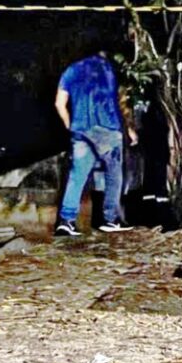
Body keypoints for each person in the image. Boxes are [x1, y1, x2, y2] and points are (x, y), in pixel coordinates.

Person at [53, 51, 137, 236]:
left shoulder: (72, 69)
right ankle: (110, 219)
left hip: (80, 129)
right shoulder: (109, 68)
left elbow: (59, 103)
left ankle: (66, 221)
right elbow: (119, 102)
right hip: (107, 128)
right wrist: (128, 129)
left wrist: (70, 125)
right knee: (114, 174)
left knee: (77, 176)